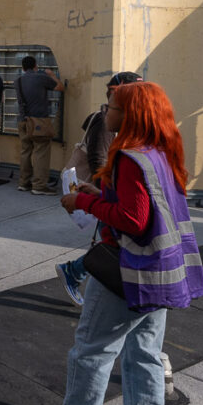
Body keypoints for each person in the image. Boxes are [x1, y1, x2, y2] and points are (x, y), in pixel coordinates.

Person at [23, 82, 203, 405]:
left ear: (130, 114)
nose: (106, 111)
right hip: (161, 275)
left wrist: (84, 201)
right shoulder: (160, 153)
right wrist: (101, 192)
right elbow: (142, 207)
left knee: (92, 351)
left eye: (111, 106)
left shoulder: (128, 157)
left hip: (128, 273)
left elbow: (133, 220)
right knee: (145, 356)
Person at [57, 71, 144, 305]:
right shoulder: (107, 120)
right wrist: (100, 197)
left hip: (110, 194)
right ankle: (75, 272)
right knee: (111, 244)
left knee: (112, 243)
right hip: (107, 193)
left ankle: (74, 271)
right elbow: (98, 159)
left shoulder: (129, 126)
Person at [15, 56, 64, 195]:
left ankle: (24, 182)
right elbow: (60, 87)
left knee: (25, 151)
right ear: (35, 65)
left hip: (23, 120)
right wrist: (52, 75)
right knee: (41, 152)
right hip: (39, 121)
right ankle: (39, 185)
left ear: (23, 68)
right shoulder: (41, 78)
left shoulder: (18, 80)